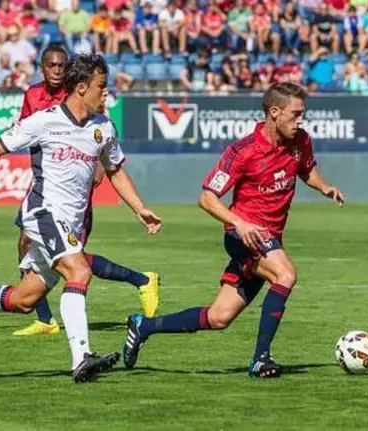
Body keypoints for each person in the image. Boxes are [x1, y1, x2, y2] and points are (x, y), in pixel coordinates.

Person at [0, 54, 163, 383]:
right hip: (42, 212)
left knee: (25, 300)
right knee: (79, 271)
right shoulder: (45, 121)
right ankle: (81, 358)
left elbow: (114, 170)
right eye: (101, 86)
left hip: (72, 222)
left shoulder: (103, 127)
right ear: (81, 87)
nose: (106, 93)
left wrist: (140, 208)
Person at [121, 82, 345, 378]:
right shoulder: (243, 151)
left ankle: (144, 326)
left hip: (269, 238)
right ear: (274, 112)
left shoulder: (300, 140)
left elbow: (305, 169)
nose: (300, 120)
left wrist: (324, 186)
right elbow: (207, 198)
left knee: (218, 317)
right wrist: (239, 222)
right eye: (295, 114)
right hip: (242, 236)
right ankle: (261, 359)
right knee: (285, 274)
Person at [0, 44, 161, 336]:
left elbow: (107, 154)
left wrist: (117, 188)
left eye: (62, 65)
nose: (57, 70)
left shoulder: (89, 106)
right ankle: (54, 326)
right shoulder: (36, 99)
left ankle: (141, 281)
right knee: (46, 251)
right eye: (52, 65)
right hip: (44, 191)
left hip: (76, 195)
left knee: (69, 266)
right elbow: (10, 137)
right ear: (42, 68)